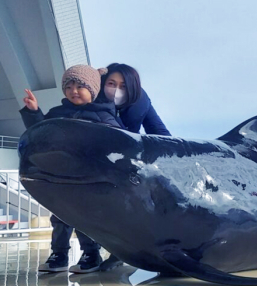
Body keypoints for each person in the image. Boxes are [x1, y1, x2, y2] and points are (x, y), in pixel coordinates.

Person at [20, 64, 122, 273]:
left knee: (83, 217)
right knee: (59, 217)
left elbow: (117, 141)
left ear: (93, 90)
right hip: (60, 175)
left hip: (86, 178)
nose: (74, 91)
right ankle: (59, 254)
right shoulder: (57, 113)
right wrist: (33, 113)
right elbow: (41, 131)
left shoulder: (103, 115)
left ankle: (90, 253)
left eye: (80, 86)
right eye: (69, 87)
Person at [96, 63, 171, 271]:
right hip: (95, 159)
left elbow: (159, 131)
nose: (117, 89)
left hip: (124, 163)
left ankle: (119, 252)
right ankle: (89, 253)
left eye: (123, 85)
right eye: (111, 83)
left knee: (124, 209)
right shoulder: (93, 96)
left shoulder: (141, 101)